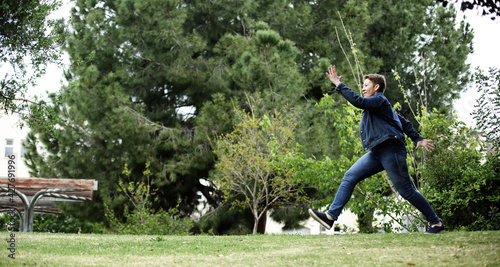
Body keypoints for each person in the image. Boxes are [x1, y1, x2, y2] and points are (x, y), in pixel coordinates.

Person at [308, 65, 445, 234]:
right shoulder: (379, 108)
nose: (363, 88)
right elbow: (403, 122)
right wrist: (417, 138)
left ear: (377, 87)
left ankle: (436, 223)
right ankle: (330, 217)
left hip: (391, 150)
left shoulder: (380, 100)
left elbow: (359, 101)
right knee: (350, 176)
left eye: (366, 85)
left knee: (407, 191)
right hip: (377, 152)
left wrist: (338, 83)